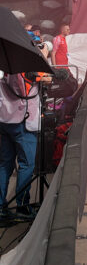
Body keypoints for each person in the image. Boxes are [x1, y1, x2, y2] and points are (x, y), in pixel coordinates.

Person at [0, 74, 40, 219]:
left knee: (5, 164)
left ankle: (0, 207)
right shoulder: (25, 67)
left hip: (5, 119)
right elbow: (23, 90)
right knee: (26, 165)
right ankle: (22, 207)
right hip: (23, 122)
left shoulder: (8, 64)